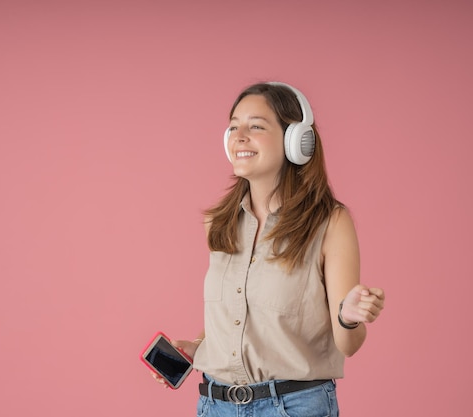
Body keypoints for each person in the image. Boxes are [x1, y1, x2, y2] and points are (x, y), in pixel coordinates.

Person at [151, 81, 385, 416]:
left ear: (296, 141)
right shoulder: (219, 224)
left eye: (256, 126)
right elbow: (237, 315)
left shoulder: (330, 222)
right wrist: (199, 346)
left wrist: (347, 318)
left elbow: (349, 344)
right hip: (215, 405)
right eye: (233, 126)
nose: (239, 136)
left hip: (292, 407)